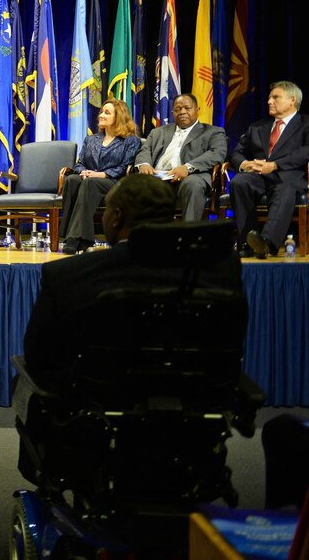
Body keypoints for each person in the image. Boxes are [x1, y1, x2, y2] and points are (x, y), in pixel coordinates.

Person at [24, 174, 244, 386]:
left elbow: (39, 359)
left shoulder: (67, 274)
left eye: (107, 210)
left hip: (96, 408)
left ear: (117, 216)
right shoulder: (223, 271)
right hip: (197, 406)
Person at [229, 80, 309, 259]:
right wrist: (244, 164)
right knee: (238, 182)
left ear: (292, 100)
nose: (269, 102)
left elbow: (306, 151)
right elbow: (237, 153)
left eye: (275, 97)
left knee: (284, 187)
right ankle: (247, 241)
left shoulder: (305, 124)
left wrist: (275, 165)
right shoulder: (257, 127)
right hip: (258, 176)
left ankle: (266, 242)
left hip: (288, 176)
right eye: (269, 98)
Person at [60, 98, 142, 254]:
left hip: (114, 183)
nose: (101, 115)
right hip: (89, 181)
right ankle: (71, 235)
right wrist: (83, 172)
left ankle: (77, 238)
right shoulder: (91, 139)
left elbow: (126, 167)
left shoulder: (131, 141)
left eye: (107, 112)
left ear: (119, 117)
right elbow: (79, 163)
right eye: (102, 112)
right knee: (71, 179)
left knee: (91, 183)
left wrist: (101, 174)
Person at [134, 93, 228, 221]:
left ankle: (188, 237)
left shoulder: (213, 132)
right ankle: (140, 237)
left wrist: (187, 167)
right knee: (134, 183)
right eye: (178, 109)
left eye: (187, 108)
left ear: (197, 110)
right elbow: (145, 149)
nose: (182, 112)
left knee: (192, 184)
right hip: (158, 177)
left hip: (191, 177)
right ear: (173, 112)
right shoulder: (158, 132)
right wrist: (144, 164)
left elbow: (216, 154)